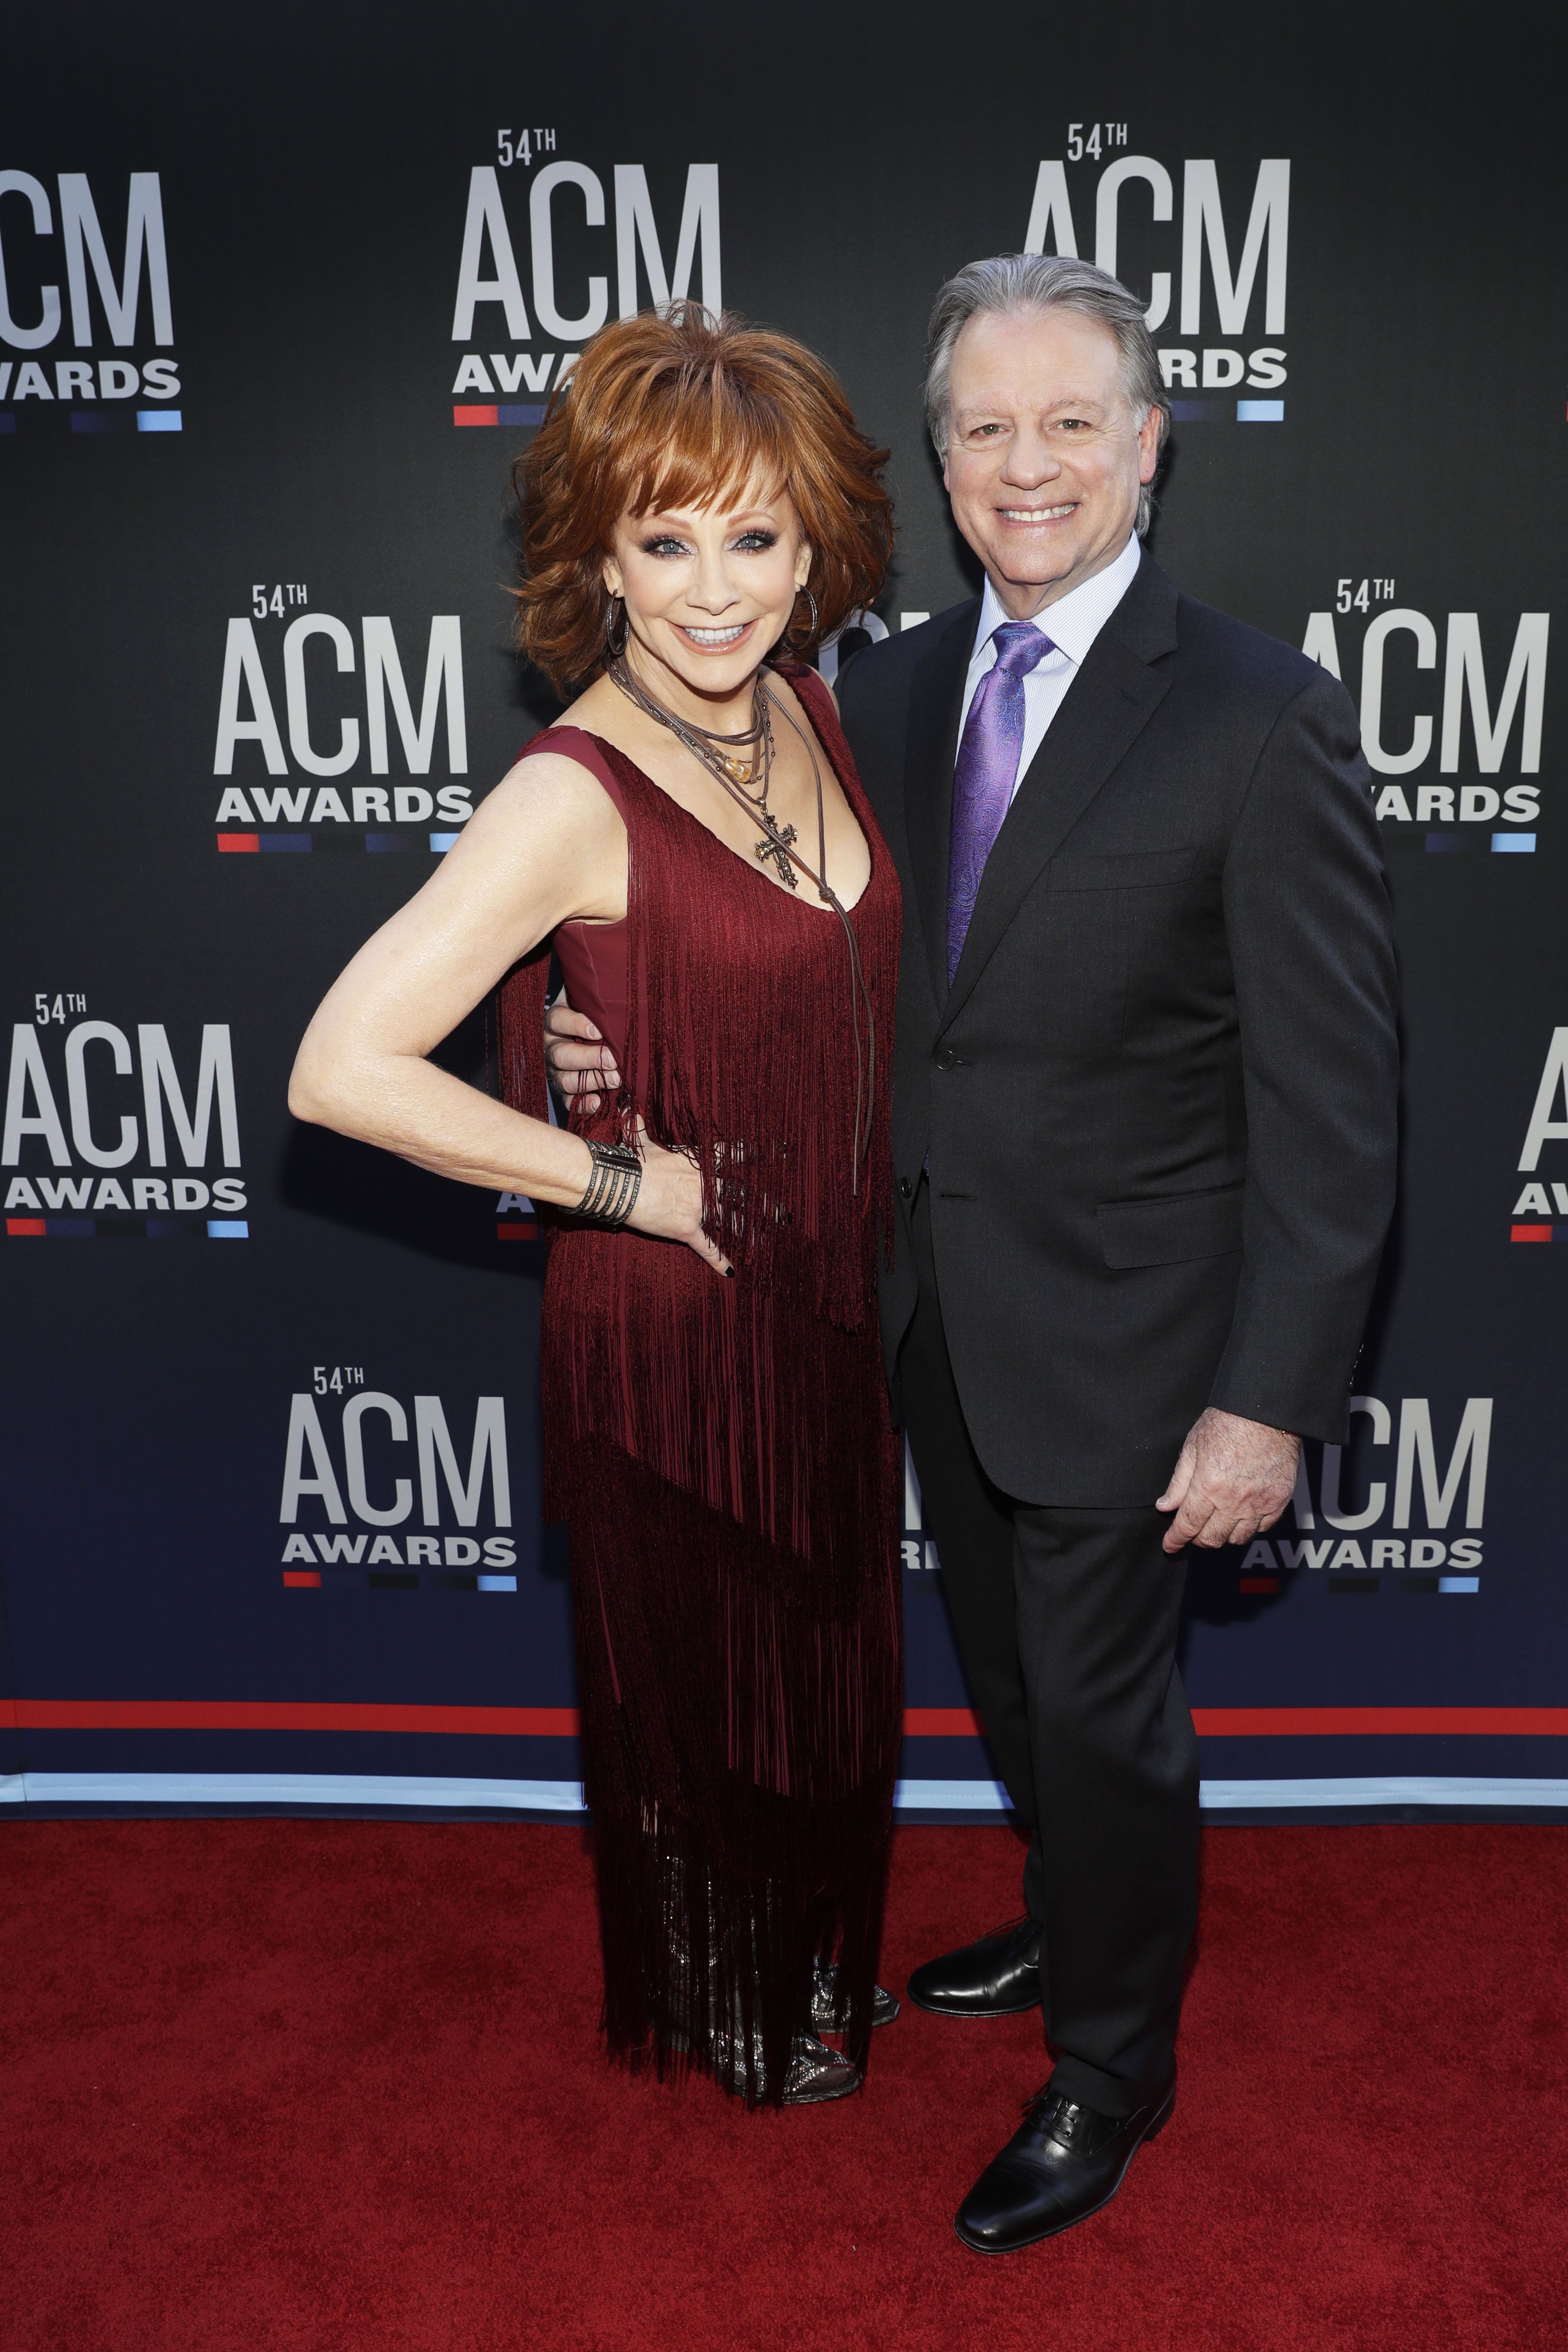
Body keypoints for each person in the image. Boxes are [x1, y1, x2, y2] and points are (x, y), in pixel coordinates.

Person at [553, 252, 1399, 2246]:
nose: (1028, 465)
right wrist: (605, 1032)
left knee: (1104, 1711)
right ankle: (1063, 1907)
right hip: (915, 1306)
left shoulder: (1264, 719)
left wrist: (1268, 1399)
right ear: (938, 462)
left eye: (1070, 422)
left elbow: (1339, 1110)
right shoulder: (883, 685)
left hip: (1139, 1335)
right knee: (1014, 1689)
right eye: (984, 428)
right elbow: (803, 955)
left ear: (1150, 445)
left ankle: (1112, 2066)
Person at [289, 304, 905, 2109]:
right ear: (599, 556)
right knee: (704, 1690)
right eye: (664, 539)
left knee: (821, 1678)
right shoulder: (568, 789)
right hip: (674, 1328)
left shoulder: (801, 708)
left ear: (815, 549)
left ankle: (802, 1960)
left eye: (754, 538)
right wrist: (615, 1178)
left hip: (828, 1315)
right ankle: (725, 1986)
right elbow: (340, 1067)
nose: (714, 589)